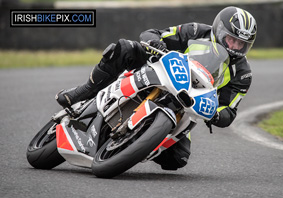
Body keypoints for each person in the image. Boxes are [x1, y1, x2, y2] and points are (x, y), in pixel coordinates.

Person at [56, 6, 257, 170]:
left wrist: (215, 114)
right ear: (219, 30)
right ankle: (86, 90)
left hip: (187, 104)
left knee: (178, 160)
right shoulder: (197, 31)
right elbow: (153, 33)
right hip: (161, 70)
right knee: (125, 48)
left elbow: (229, 110)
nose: (235, 47)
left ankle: (138, 142)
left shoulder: (242, 73)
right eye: (232, 39)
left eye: (242, 44)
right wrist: (157, 43)